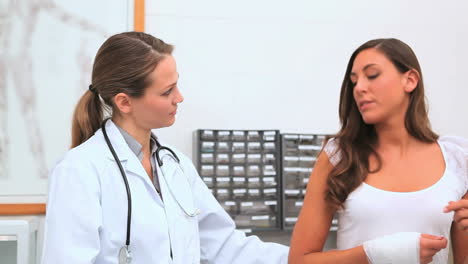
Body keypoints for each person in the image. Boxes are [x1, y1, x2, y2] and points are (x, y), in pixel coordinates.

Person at [41, 31, 289, 264]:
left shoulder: (175, 164)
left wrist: (303, 258)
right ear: (125, 102)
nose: (179, 97)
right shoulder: (78, 170)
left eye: (176, 85)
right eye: (167, 91)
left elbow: (224, 246)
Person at [288, 38, 468, 264]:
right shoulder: (339, 157)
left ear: (410, 80)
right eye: (354, 81)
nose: (359, 88)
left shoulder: (457, 158)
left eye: (372, 75)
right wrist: (373, 255)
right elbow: (299, 260)